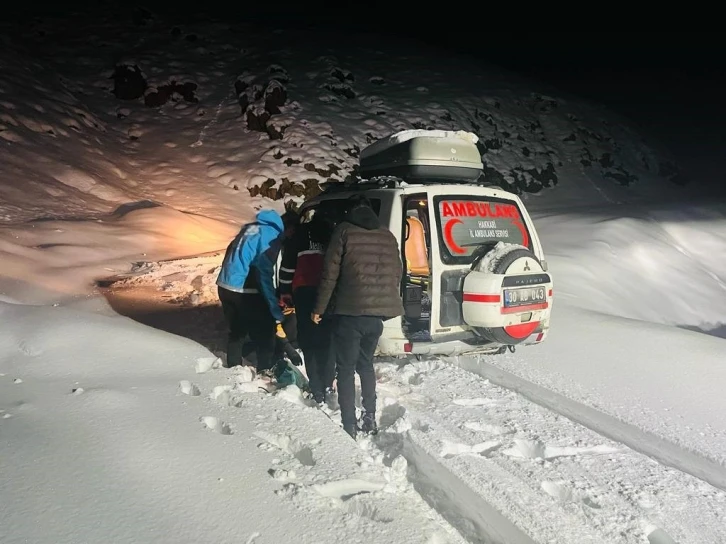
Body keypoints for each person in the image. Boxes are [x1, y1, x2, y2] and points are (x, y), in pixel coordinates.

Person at [312, 195, 404, 439]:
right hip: (376, 317)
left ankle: (349, 425)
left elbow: (329, 273)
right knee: (366, 364)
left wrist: (319, 308)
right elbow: (397, 271)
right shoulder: (387, 235)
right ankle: (369, 415)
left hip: (350, 313)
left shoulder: (344, 231)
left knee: (345, 368)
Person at [216, 208, 300, 371]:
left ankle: (234, 370)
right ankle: (265, 370)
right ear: (289, 228)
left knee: (237, 330)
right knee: (266, 331)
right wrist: (273, 307)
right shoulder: (271, 236)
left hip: (225, 285)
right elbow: (263, 272)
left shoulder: (250, 228)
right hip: (244, 288)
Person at [279, 207, 336, 404]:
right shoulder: (333, 233)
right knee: (327, 338)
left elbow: (287, 265)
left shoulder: (301, 233)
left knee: (308, 338)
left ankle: (316, 387)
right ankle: (328, 383)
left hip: (303, 291)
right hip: (327, 292)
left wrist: (284, 290)